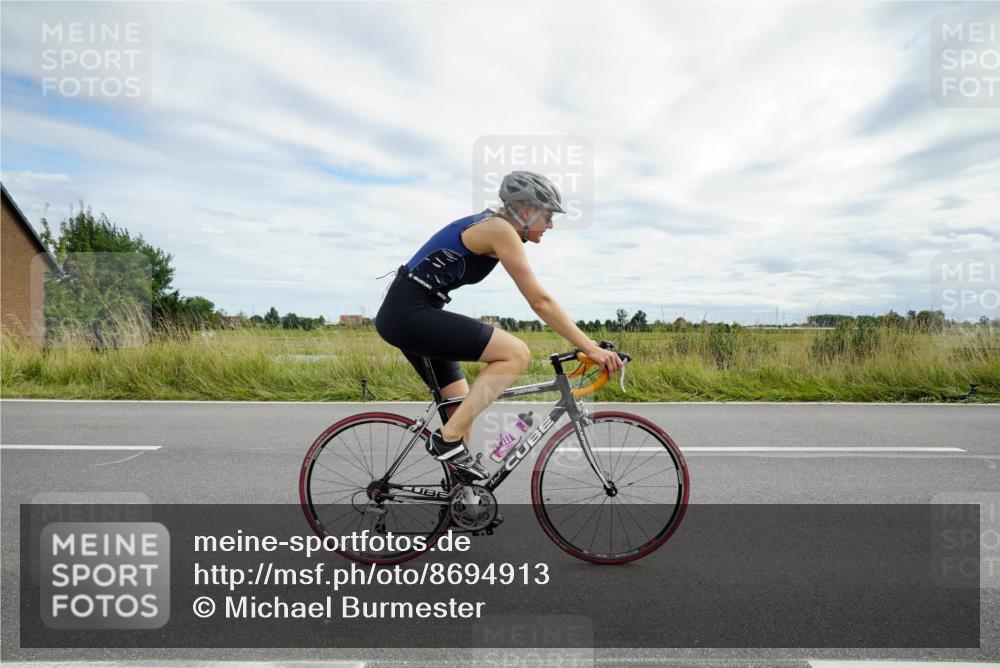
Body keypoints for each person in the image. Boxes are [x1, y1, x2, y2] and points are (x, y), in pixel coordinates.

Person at [374, 171, 624, 483]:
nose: (551, 225)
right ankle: (445, 440)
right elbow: (540, 301)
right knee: (516, 353)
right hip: (408, 314)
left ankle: (460, 500)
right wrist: (591, 348)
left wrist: (588, 344)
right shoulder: (500, 229)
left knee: (462, 410)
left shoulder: (494, 226)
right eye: (548, 215)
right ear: (527, 209)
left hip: (410, 314)